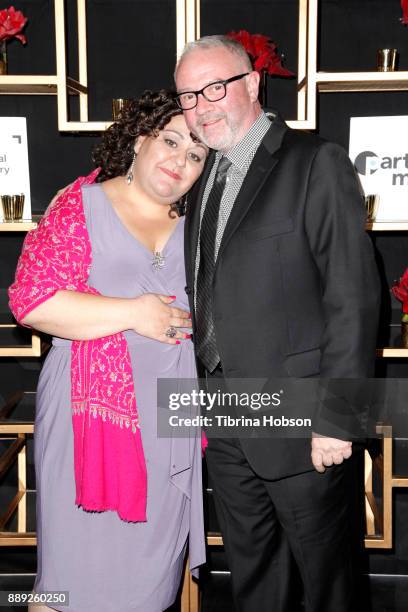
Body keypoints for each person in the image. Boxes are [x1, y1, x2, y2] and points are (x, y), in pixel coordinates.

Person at [174, 36, 380, 612]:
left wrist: (338, 420)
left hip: (303, 422)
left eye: (215, 87)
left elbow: (354, 299)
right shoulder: (203, 177)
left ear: (253, 84)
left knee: (328, 582)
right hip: (224, 416)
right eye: (189, 94)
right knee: (255, 577)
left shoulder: (315, 163)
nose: (201, 105)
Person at [8, 90, 209, 612]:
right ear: (141, 140)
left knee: (150, 587)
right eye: (170, 141)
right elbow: (32, 300)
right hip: (86, 425)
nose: (179, 161)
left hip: (170, 425)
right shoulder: (82, 203)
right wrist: (134, 312)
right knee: (65, 582)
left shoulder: (200, 226)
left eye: (195, 154)